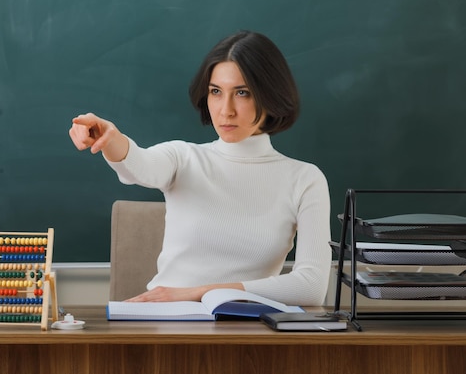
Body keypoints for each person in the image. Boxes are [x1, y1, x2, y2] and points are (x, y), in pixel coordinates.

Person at [69, 31, 331, 306]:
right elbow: (140, 165)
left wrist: (201, 292)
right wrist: (110, 138)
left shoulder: (305, 179)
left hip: (247, 332)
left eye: (242, 93)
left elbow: (311, 286)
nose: (225, 110)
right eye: (216, 92)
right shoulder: (183, 158)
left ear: (270, 95)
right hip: (166, 325)